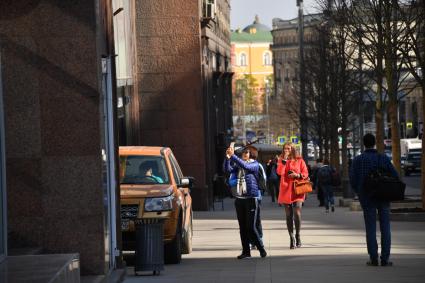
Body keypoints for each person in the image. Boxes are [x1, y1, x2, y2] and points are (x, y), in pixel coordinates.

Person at [349, 133, 398, 267]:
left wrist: (359, 191)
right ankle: (385, 258)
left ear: (364, 144)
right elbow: (395, 175)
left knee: (370, 228)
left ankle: (373, 257)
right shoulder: (383, 158)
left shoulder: (358, 160)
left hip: (367, 197)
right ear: (375, 143)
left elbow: (352, 179)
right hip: (383, 196)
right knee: (385, 227)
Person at [223, 145, 267, 259]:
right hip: (240, 199)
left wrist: (233, 156)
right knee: (242, 227)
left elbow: (244, 166)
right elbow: (227, 170)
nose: (245, 154)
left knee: (251, 227)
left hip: (251, 199)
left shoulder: (254, 165)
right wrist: (227, 158)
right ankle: (246, 251)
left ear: (251, 154)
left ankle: (261, 248)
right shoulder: (239, 165)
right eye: (243, 152)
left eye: (247, 152)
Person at [277, 142, 309, 249]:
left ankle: (298, 235)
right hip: (285, 189)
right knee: (288, 215)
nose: (287, 150)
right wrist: (284, 160)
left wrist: (297, 175)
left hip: (298, 189)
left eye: (289, 148)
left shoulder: (300, 160)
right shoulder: (281, 159)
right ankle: (291, 238)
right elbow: (279, 172)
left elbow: (305, 173)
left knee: (297, 212)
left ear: (293, 149)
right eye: (285, 148)